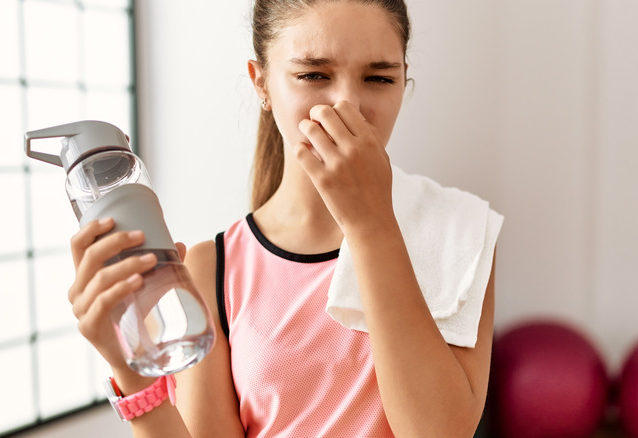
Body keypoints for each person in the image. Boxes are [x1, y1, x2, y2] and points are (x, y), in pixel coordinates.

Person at [68, 0, 498, 436]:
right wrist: (132, 371)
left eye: (378, 78)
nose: (346, 105)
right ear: (263, 85)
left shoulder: (458, 231)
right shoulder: (213, 268)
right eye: (313, 75)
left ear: (403, 83)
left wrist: (371, 226)